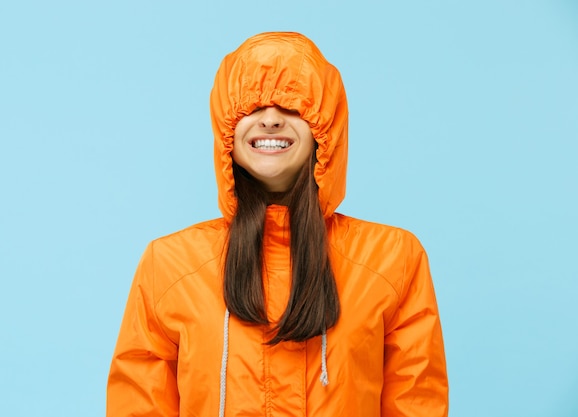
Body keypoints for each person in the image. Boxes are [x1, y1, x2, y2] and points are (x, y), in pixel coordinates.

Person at [107, 32, 449, 416]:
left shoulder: (392, 258)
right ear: (226, 131)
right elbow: (138, 404)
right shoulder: (169, 264)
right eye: (251, 108)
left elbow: (417, 404)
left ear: (326, 128)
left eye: (291, 107)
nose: (270, 120)